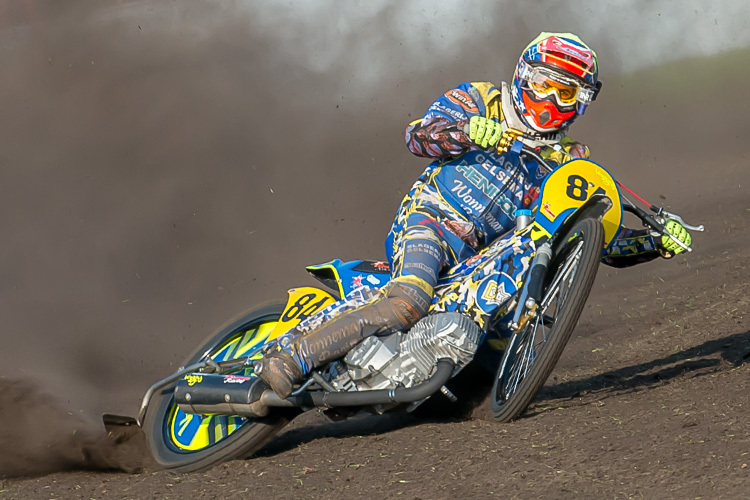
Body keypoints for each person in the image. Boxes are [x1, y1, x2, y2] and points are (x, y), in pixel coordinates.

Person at [251, 32, 692, 413]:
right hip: (433, 220)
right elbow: (417, 134)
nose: (553, 101)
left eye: (568, 93)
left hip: (482, 260)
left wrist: (654, 243)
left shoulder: (569, 161)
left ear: (582, 101)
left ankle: (401, 383)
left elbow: (585, 244)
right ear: (524, 75)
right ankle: (292, 356)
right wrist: (465, 132)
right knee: (408, 301)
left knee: (487, 345)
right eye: (545, 84)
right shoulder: (482, 99)